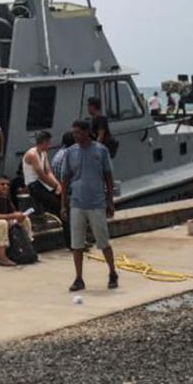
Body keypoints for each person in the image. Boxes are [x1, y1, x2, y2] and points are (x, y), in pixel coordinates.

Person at [61, 119, 118, 291]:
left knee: (103, 240)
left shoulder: (101, 151)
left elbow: (108, 176)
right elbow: (65, 179)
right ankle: (78, 278)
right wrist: (63, 204)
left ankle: (112, 272)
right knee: (76, 243)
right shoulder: (70, 152)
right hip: (77, 202)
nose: (75, 135)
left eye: (78, 132)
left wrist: (110, 201)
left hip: (96, 202)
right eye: (74, 132)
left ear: (87, 132)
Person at [0, 174, 33, 267]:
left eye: (7, 185)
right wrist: (13, 216)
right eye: (2, 184)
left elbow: (13, 212)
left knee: (25, 220)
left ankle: (29, 250)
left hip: (0, 227)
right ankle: (2, 257)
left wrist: (19, 216)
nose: (5, 187)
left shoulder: (5, 198)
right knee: (2, 223)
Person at [22, 130, 62, 216]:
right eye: (49, 142)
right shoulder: (32, 154)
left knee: (62, 196)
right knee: (55, 203)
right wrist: (55, 186)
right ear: (44, 142)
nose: (50, 145)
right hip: (33, 185)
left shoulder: (44, 153)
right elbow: (41, 175)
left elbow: (48, 171)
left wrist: (57, 184)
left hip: (42, 183)